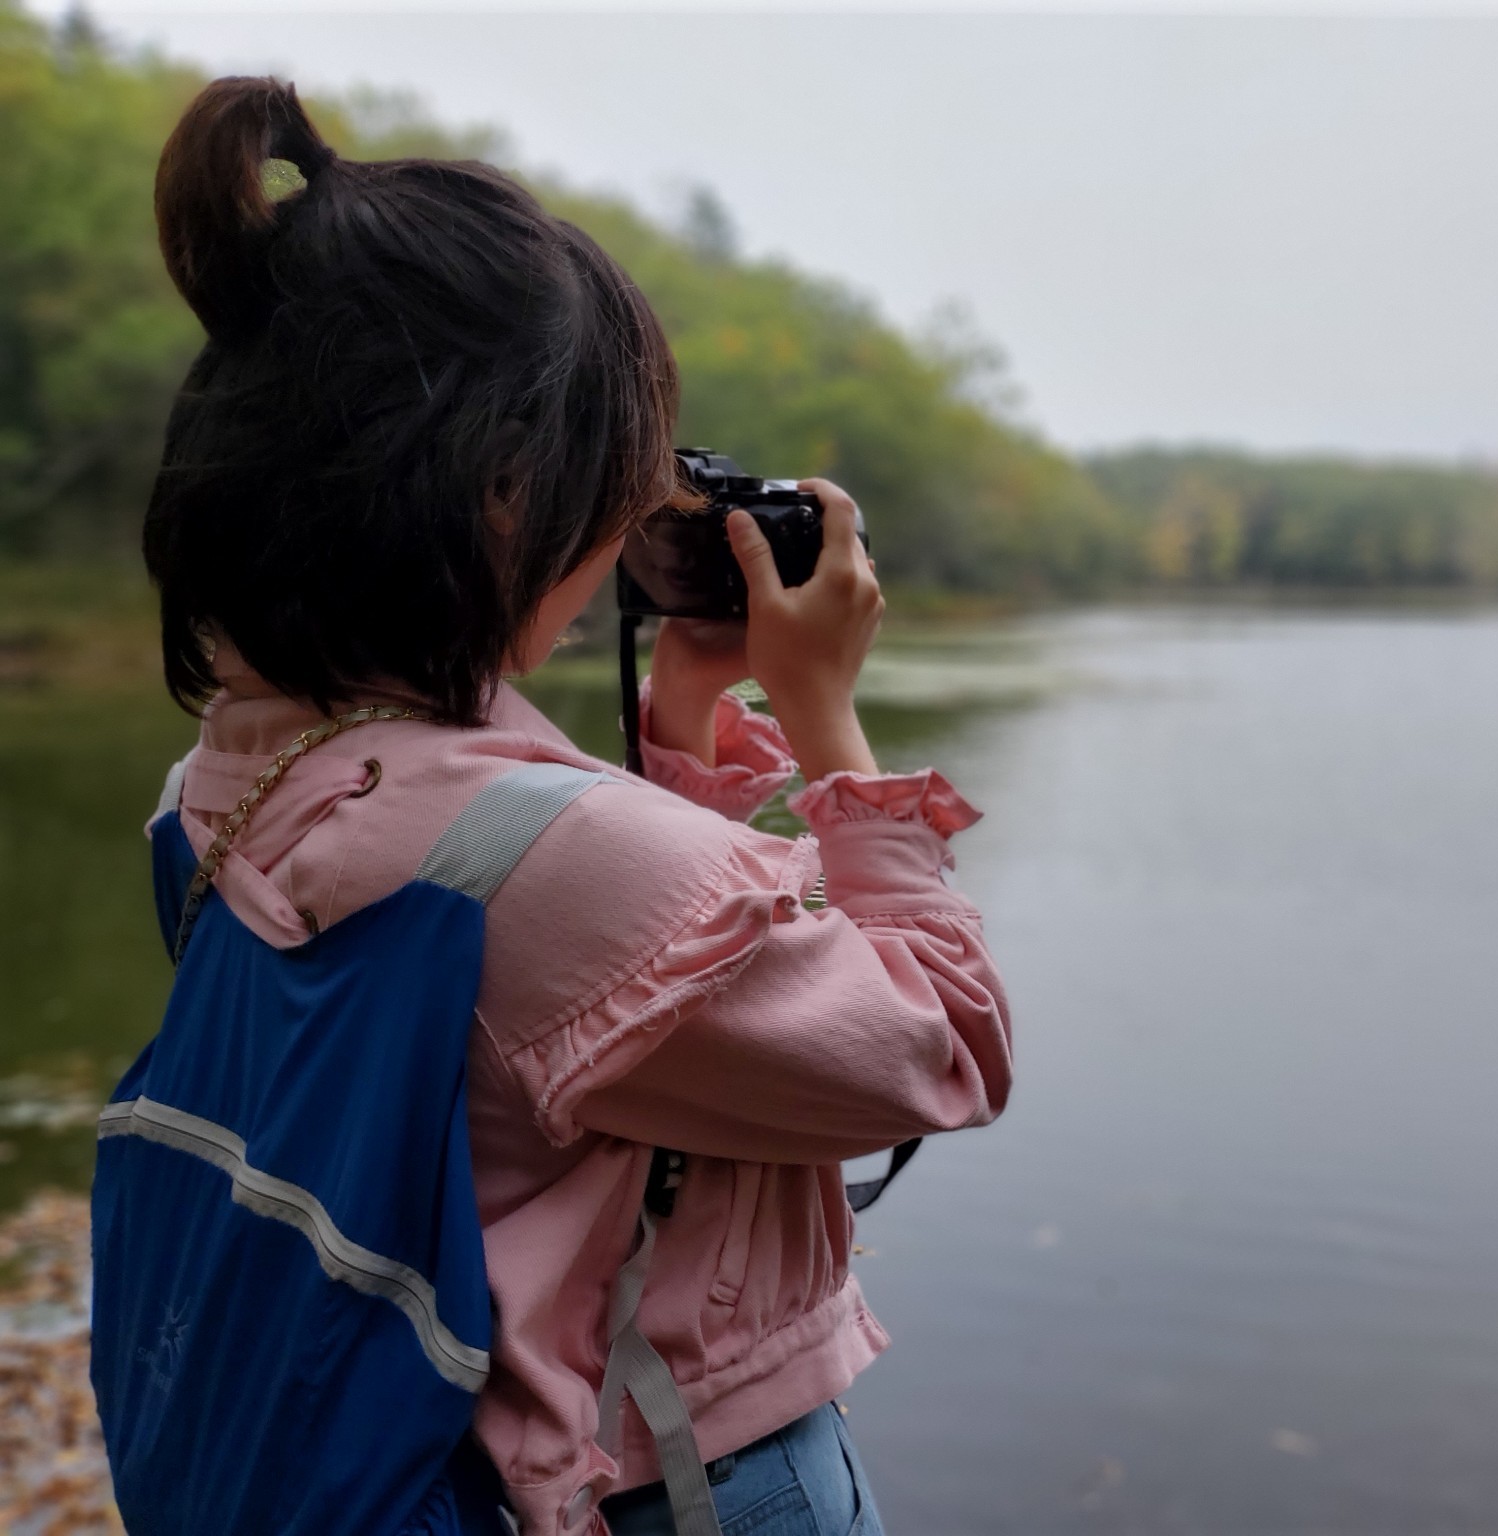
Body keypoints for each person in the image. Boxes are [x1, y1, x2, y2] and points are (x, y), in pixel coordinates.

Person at [93, 76, 1012, 1536]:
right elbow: (943, 1047)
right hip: (680, 1471)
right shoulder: (549, 859)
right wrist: (826, 716)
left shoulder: (225, 776)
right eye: (614, 479)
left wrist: (693, 717)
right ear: (506, 494)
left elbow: (540, 1038)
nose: (624, 535)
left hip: (443, 1442)